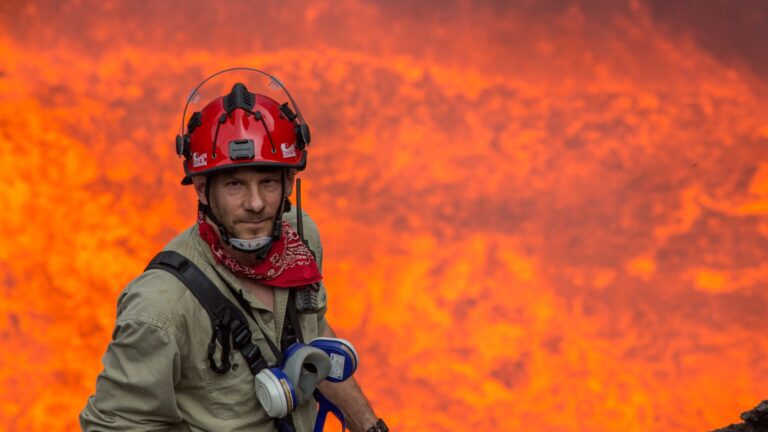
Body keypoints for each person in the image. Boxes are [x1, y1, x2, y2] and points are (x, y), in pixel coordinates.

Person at [80, 69, 389, 432]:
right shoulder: (161, 308)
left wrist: (371, 427)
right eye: (234, 184)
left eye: (269, 182)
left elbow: (314, 341)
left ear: (289, 182)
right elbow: (115, 426)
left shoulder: (301, 243)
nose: (255, 203)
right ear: (200, 188)